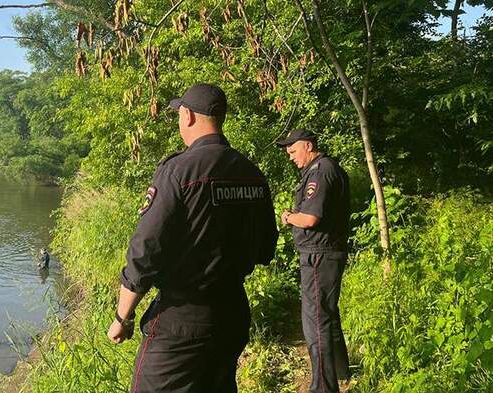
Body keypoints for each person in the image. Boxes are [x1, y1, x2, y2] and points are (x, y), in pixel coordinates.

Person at [107, 83, 278, 393]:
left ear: (186, 116)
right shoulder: (251, 172)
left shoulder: (178, 171)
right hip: (232, 314)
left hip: (181, 319)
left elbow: (146, 249)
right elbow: (266, 247)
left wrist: (123, 315)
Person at [277, 128, 351, 393]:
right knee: (327, 313)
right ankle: (341, 371)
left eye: (293, 151)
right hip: (327, 253)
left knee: (315, 320)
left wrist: (288, 217)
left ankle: (323, 387)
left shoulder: (320, 172)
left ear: (308, 146)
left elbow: (309, 219)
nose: (291, 157)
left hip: (320, 255)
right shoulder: (329, 168)